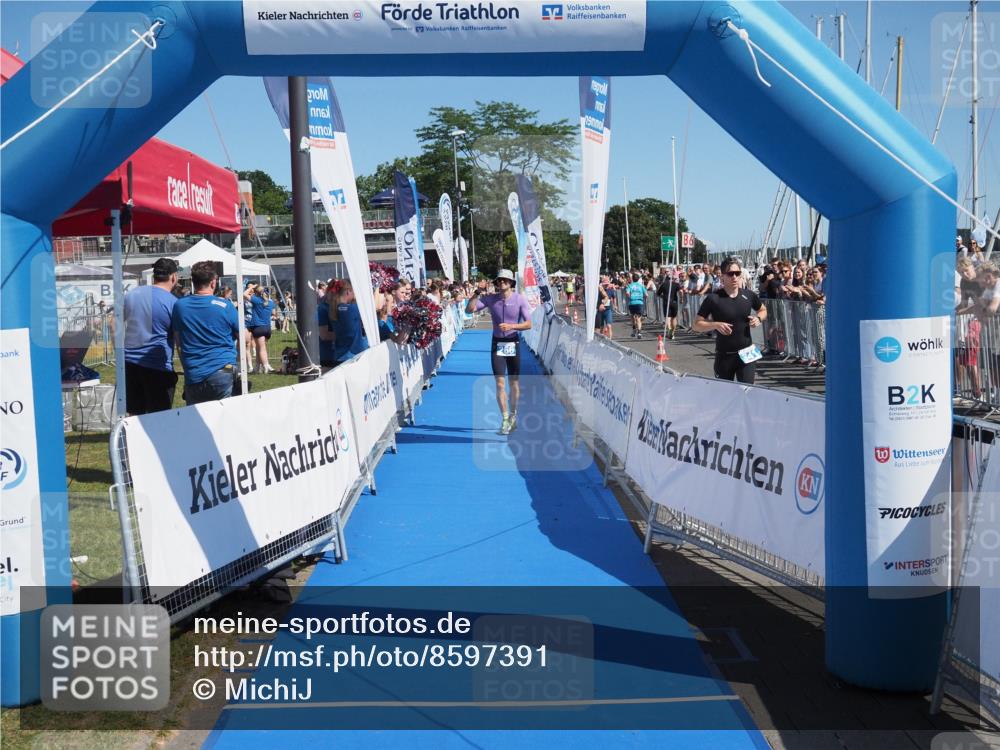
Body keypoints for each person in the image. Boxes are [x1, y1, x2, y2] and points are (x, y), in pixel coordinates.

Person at [465, 269, 532, 436]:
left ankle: (514, 414)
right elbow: (469, 310)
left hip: (513, 342)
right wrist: (476, 294)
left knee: (514, 384)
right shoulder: (490, 299)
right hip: (497, 344)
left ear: (511, 283)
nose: (502, 282)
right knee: (500, 384)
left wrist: (512, 326)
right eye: (499, 280)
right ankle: (504, 418)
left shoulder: (519, 300)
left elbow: (529, 324)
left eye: (505, 280)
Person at [171, 261, 240, 405]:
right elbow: (244, 337)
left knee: (196, 422)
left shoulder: (180, 306)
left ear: (192, 281)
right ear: (213, 283)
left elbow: (179, 343)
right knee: (226, 419)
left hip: (194, 372)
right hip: (223, 369)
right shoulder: (225, 306)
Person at [693, 257, 767, 384]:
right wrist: (715, 325)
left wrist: (758, 318)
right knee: (725, 396)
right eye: (730, 274)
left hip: (747, 353)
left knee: (747, 392)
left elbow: (763, 310)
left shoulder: (748, 295)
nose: (734, 277)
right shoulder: (714, 298)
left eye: (737, 274)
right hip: (725, 354)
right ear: (722, 276)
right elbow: (696, 325)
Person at [122, 257, 178, 414]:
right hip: (158, 366)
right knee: (160, 416)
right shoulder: (173, 302)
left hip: (130, 363)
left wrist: (119, 350)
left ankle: (133, 439)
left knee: (134, 414)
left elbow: (114, 323)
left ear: (154, 276)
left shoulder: (132, 294)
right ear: (173, 277)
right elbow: (179, 338)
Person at [331, 280, 369, 366]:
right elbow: (375, 306)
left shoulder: (335, 307)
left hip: (340, 355)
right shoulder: (351, 309)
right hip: (352, 357)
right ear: (348, 291)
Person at [245, 283, 275, 373]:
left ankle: (266, 366)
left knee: (261, 349)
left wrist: (251, 287)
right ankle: (257, 367)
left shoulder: (257, 301)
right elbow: (273, 313)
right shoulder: (270, 302)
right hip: (267, 328)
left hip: (259, 327)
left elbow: (244, 294)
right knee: (259, 348)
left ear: (257, 293)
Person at [656, 268, 681, 340]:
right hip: (674, 302)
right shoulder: (676, 284)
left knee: (667, 317)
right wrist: (681, 298)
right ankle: (672, 333)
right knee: (674, 317)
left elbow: (658, 293)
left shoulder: (664, 284)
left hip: (666, 302)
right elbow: (681, 291)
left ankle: (669, 330)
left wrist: (663, 297)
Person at [625, 272, 647, 339]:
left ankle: (634, 328)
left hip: (632, 303)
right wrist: (643, 298)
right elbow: (646, 295)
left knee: (632, 317)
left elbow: (627, 293)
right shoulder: (641, 286)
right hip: (639, 303)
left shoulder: (630, 285)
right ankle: (639, 333)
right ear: (638, 279)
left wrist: (630, 297)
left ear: (632, 279)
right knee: (638, 318)